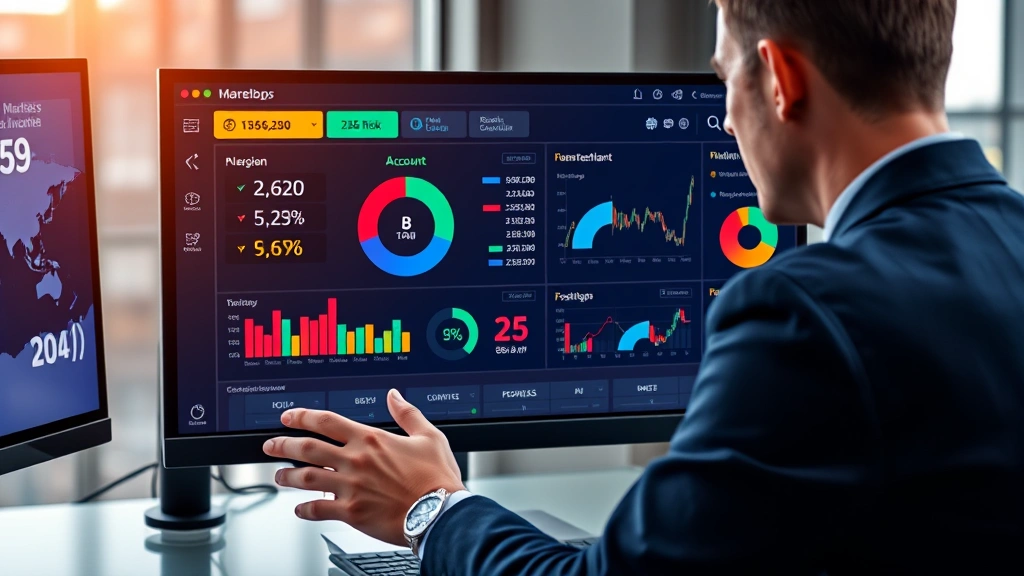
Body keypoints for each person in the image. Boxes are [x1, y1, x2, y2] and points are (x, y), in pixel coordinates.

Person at [262, 0, 1024, 573]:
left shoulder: (804, 314)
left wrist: (433, 510)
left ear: (783, 80)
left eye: (726, 76)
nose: (724, 119)